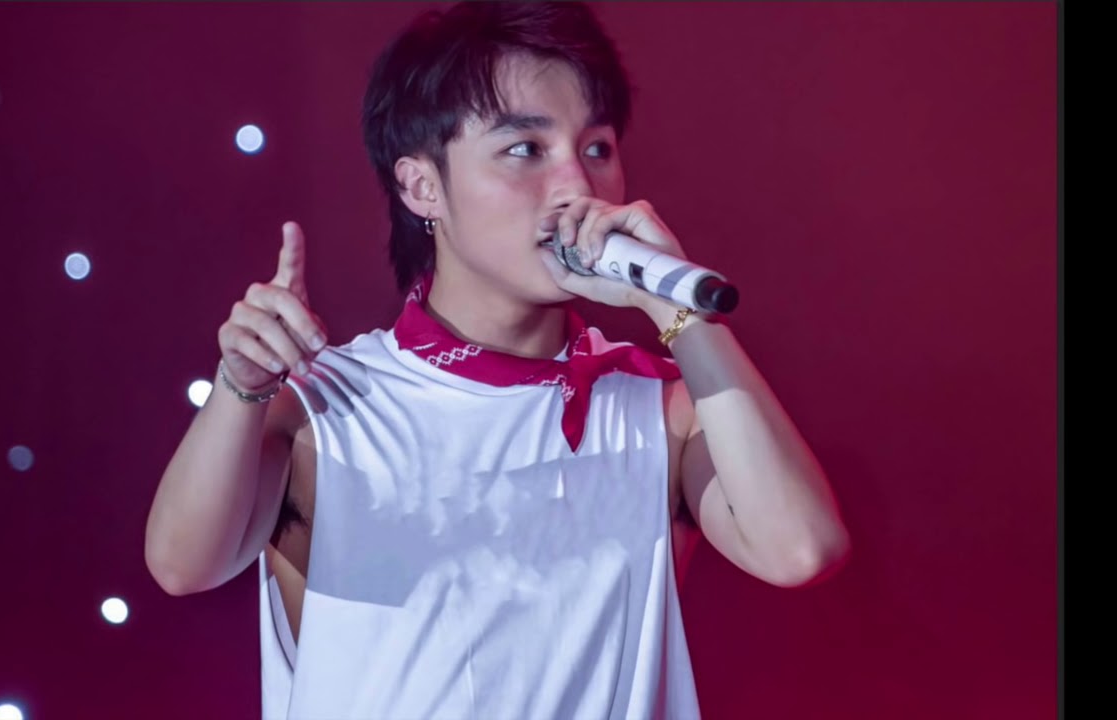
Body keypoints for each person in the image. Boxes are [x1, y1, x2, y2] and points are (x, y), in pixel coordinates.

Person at [144, 2, 851, 718]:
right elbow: (182, 565)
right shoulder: (327, 406)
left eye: (597, 148)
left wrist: (679, 313)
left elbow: (801, 550)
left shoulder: (658, 404)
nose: (577, 186)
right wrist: (239, 386)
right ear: (422, 186)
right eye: (525, 149)